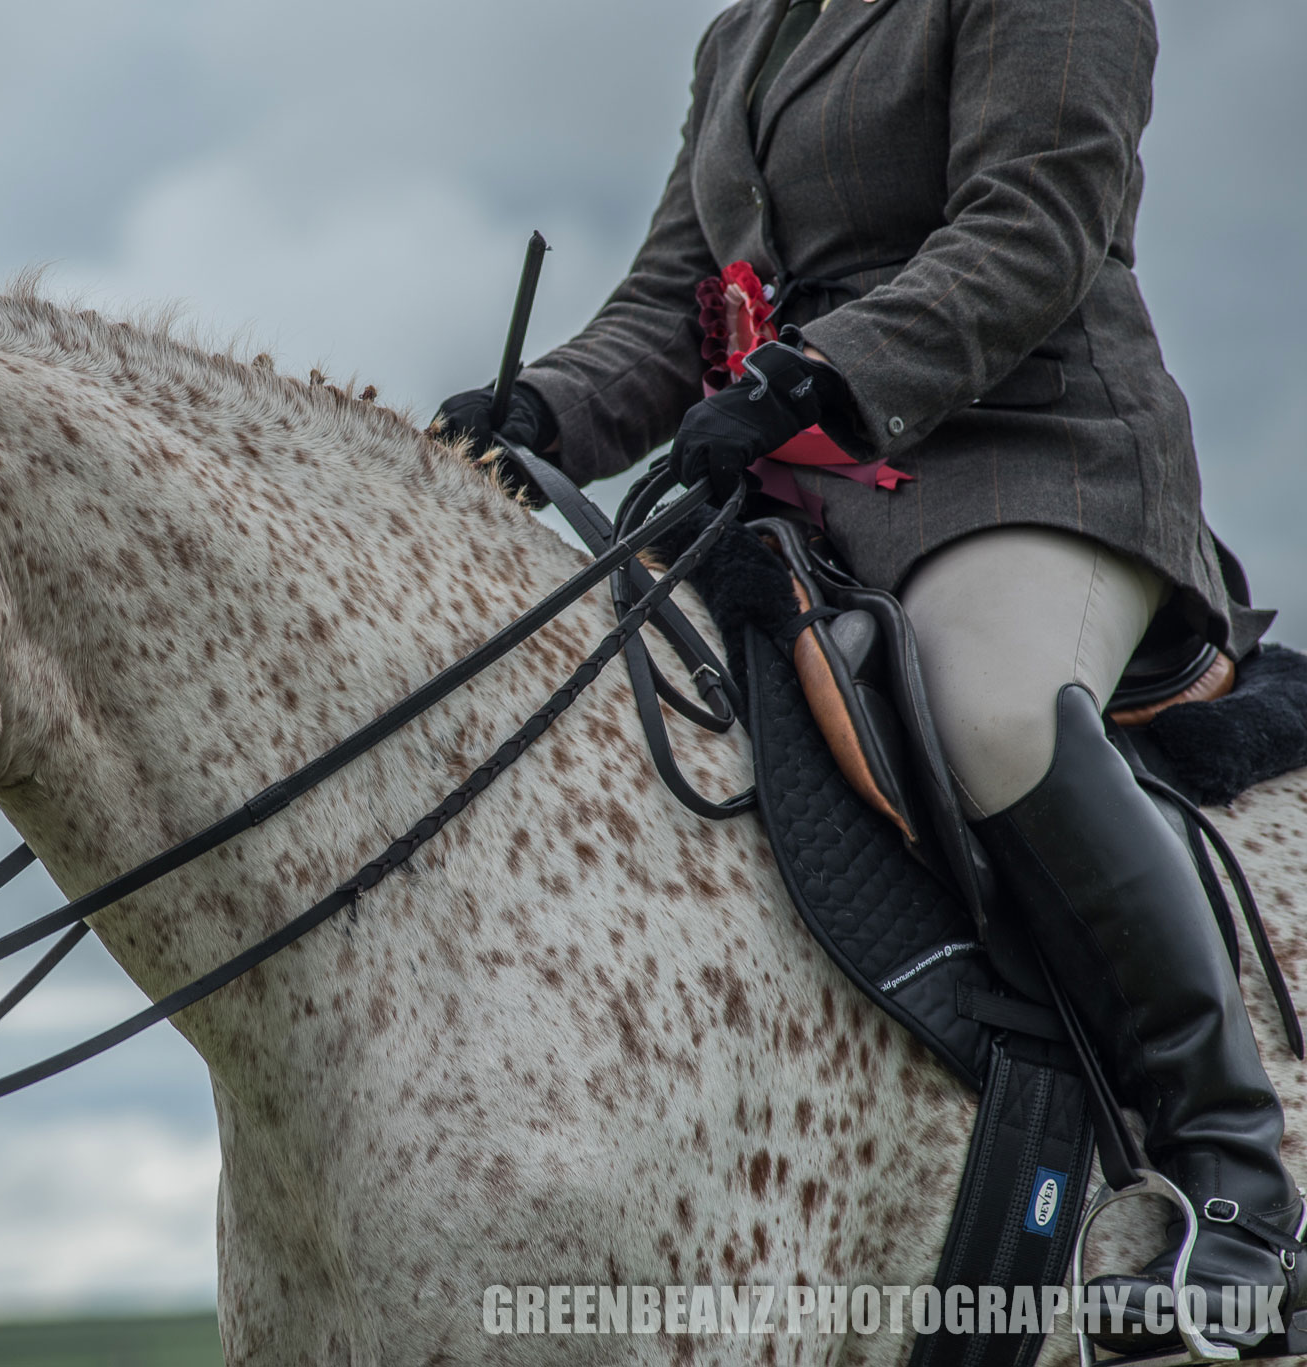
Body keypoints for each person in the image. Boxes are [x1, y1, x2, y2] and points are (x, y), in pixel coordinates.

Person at [436, 0, 1298, 1351]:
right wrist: (543, 407)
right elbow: (675, 301)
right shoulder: (746, 36)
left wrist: (821, 372)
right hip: (809, 498)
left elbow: (1035, 228)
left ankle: (1242, 1177)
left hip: (1031, 453)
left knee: (994, 710)